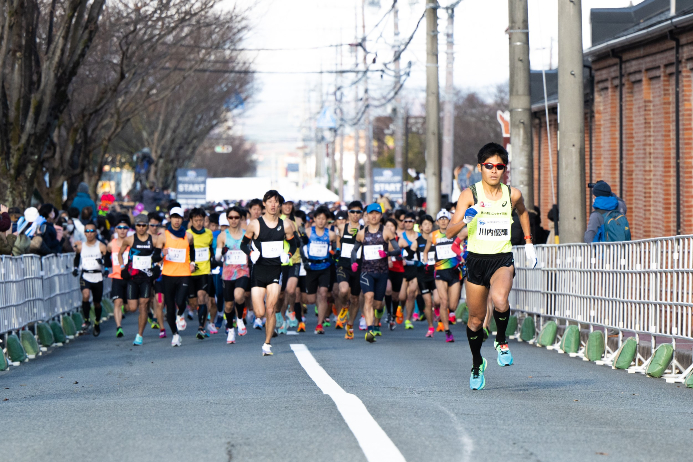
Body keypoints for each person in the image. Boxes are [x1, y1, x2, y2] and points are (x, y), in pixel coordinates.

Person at [446, 142, 537, 390]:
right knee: (475, 321)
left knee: (499, 299)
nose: (494, 171)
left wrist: (529, 243)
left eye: (499, 166)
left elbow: (523, 213)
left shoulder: (512, 194)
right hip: (476, 260)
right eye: (489, 166)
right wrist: (466, 218)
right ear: (480, 167)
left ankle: (501, 340)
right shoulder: (469, 195)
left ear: (505, 169)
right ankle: (477, 363)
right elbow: (448, 231)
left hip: (501, 259)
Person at [241, 190, 297, 356]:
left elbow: (293, 245)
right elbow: (244, 244)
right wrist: (251, 253)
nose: (273, 205)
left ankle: (267, 344)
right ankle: (266, 324)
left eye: (276, 202)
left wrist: (287, 255)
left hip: (275, 270)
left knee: (271, 308)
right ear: (264, 204)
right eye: (270, 201)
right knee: (260, 312)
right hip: (258, 270)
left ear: (279, 205)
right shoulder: (255, 224)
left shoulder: (286, 225)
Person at [350, 203, 401, 343]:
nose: (373, 216)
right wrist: (354, 262)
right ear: (367, 215)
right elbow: (354, 250)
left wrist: (386, 253)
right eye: (371, 213)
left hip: (382, 273)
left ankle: (378, 317)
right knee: (368, 297)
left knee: (378, 304)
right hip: (366, 271)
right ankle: (370, 329)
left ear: (380, 215)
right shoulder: (361, 233)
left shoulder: (386, 232)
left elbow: (398, 250)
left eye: (376, 213)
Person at [156, 206, 196, 347]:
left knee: (180, 300)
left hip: (184, 273)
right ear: (170, 218)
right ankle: (175, 334)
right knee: (170, 308)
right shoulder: (163, 236)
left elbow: (193, 250)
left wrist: (192, 262)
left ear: (182, 219)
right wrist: (162, 253)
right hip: (168, 274)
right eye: (174, 217)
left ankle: (181, 314)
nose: (176, 220)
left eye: (179, 217)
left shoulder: (188, 236)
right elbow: (155, 256)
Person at [423, 210, 465, 343]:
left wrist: (462, 257)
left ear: (449, 221)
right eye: (440, 219)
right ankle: (447, 331)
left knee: (452, 305)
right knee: (444, 301)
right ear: (437, 222)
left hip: (454, 272)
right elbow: (426, 251)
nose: (443, 221)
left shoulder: (455, 233)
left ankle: (444, 313)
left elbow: (462, 247)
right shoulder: (433, 236)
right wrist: (426, 262)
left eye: (445, 219)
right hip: (440, 271)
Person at [118, 214, 157, 345]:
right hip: (132, 278)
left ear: (147, 226)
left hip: (146, 277)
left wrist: (157, 267)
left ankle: (139, 335)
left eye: (143, 225)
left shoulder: (153, 240)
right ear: (135, 226)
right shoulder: (129, 240)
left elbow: (160, 255)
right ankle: (125, 306)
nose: (141, 228)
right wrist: (123, 267)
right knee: (133, 308)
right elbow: (120, 253)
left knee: (143, 305)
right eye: (138, 225)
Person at [301, 206, 337, 334]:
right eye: (319, 218)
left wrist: (334, 253)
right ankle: (315, 306)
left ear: (327, 220)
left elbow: (336, 248)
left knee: (323, 293)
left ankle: (319, 325)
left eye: (324, 219)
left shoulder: (331, 234)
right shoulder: (309, 232)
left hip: (325, 267)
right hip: (311, 267)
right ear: (314, 219)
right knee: (310, 299)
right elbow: (302, 246)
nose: (321, 221)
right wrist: (304, 261)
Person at [216, 206, 250, 344]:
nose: (234, 220)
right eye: (231, 217)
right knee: (229, 305)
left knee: (239, 295)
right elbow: (217, 257)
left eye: (237, 217)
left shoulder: (247, 233)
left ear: (241, 219)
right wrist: (221, 252)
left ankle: (240, 319)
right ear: (227, 219)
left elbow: (252, 250)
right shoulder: (223, 235)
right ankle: (230, 330)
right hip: (227, 274)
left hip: (242, 271)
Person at [73, 223, 108, 336]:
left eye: (92, 231)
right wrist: (75, 268)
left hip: (97, 276)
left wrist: (105, 267)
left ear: (95, 232)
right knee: (86, 295)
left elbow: (107, 261)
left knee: (97, 303)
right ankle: (87, 320)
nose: (89, 233)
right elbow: (77, 258)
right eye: (87, 231)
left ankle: (97, 322)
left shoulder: (101, 246)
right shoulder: (80, 246)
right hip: (85, 276)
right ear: (84, 233)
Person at [335, 201, 363, 340]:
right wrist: (338, 249)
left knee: (356, 298)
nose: (355, 214)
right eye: (353, 211)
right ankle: (344, 306)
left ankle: (350, 326)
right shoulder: (341, 227)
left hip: (358, 264)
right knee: (344, 290)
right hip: (344, 263)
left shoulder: (364, 229)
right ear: (348, 213)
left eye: (358, 212)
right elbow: (338, 240)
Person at [186, 208, 216, 339]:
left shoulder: (209, 233)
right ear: (191, 221)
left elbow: (211, 249)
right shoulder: (186, 234)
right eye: (196, 220)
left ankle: (201, 328)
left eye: (201, 220)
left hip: (204, 271)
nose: (199, 223)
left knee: (202, 297)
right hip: (190, 272)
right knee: (193, 302)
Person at [108, 215, 131, 338]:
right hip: (116, 277)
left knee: (129, 307)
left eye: (125, 228)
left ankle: (125, 309)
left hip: (129, 278)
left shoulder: (131, 243)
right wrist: (106, 266)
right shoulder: (111, 245)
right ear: (116, 229)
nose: (122, 230)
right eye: (120, 228)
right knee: (117, 302)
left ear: (128, 230)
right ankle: (119, 327)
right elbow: (106, 254)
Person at [398, 211, 420, 330]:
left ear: (414, 223)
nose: (407, 223)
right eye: (405, 221)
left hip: (415, 268)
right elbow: (396, 253)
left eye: (410, 221)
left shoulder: (419, 236)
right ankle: (400, 308)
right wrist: (400, 259)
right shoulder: (400, 237)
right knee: (402, 296)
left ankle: (408, 319)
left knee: (411, 293)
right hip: (403, 268)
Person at [416, 215, 437, 337]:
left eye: (429, 224)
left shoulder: (436, 238)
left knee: (438, 300)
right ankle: (430, 327)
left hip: (436, 273)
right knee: (428, 303)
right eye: (425, 224)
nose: (427, 226)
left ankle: (438, 311)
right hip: (423, 276)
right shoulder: (417, 242)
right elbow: (407, 254)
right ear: (420, 227)